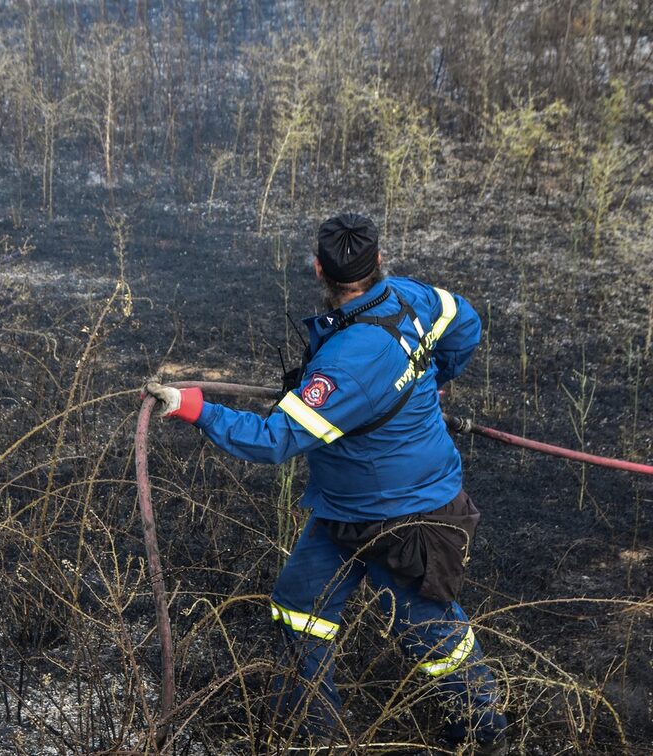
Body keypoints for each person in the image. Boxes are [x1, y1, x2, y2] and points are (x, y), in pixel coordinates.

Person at [144, 213, 509, 752]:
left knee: (430, 633)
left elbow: (274, 440)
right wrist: (432, 374)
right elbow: (465, 320)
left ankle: (483, 731)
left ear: (319, 269)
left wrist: (195, 409)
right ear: (378, 261)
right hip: (346, 505)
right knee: (299, 604)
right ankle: (311, 731)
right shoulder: (413, 297)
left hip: (405, 516)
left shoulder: (346, 365)